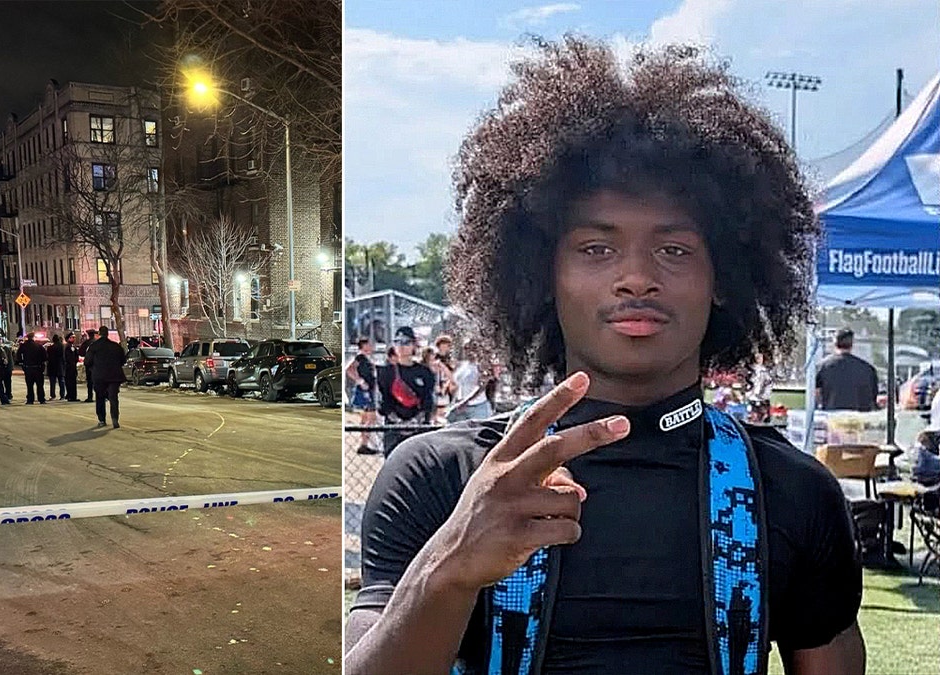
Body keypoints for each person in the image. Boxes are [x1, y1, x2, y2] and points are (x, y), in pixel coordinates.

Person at [346, 38, 863, 675]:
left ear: (723, 276)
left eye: (674, 250)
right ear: (542, 273)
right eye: (596, 248)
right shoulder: (441, 477)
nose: (636, 277)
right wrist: (448, 569)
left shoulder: (794, 491)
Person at [375, 326, 435, 458]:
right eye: (397, 342)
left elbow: (428, 401)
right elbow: (383, 402)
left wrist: (415, 422)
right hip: (393, 427)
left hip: (418, 427)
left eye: (406, 342)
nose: (401, 346)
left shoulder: (425, 372)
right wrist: (399, 423)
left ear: (414, 345)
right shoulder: (385, 372)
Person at [816, 328, 879, 412]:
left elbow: (815, 396)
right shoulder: (868, 369)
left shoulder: (822, 367)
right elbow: (873, 399)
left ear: (834, 343)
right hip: (859, 420)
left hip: (832, 420)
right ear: (852, 344)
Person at [83, 325, 126, 428]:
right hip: (114, 376)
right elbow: (123, 360)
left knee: (100, 397)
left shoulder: (94, 346)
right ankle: (115, 418)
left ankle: (102, 419)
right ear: (108, 334)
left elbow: (87, 361)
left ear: (99, 334)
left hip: (99, 376)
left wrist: (93, 369)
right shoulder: (115, 346)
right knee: (113, 398)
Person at [346, 337, 379, 455]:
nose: (371, 346)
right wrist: (360, 381)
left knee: (365, 417)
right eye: (369, 344)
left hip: (370, 389)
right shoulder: (360, 357)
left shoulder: (367, 358)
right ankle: (364, 444)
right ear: (364, 345)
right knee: (371, 417)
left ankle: (364, 443)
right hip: (365, 391)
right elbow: (349, 369)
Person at [17, 333, 47, 404]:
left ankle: (30, 399)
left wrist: (22, 362)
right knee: (40, 385)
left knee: (29, 385)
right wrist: (42, 365)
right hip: (38, 368)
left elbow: (18, 355)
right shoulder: (39, 346)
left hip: (28, 368)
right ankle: (41, 399)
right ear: (33, 338)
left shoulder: (23, 346)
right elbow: (45, 357)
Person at [46, 333, 66, 401]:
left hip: (52, 367)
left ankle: (53, 395)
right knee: (61, 381)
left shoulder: (50, 348)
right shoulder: (62, 347)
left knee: (52, 383)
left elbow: (47, 357)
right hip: (60, 366)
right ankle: (62, 395)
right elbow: (63, 358)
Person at [80, 328, 97, 403]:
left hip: (89, 364)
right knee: (98, 381)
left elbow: (81, 352)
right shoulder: (98, 342)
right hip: (97, 364)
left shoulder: (86, 343)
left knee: (90, 381)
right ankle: (102, 396)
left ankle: (90, 397)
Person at [64, 332, 81, 402]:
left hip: (71, 367)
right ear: (69, 338)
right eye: (72, 337)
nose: (74, 339)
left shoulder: (71, 346)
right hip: (70, 367)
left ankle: (70, 395)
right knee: (71, 382)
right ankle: (72, 396)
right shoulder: (69, 347)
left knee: (71, 382)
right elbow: (70, 358)